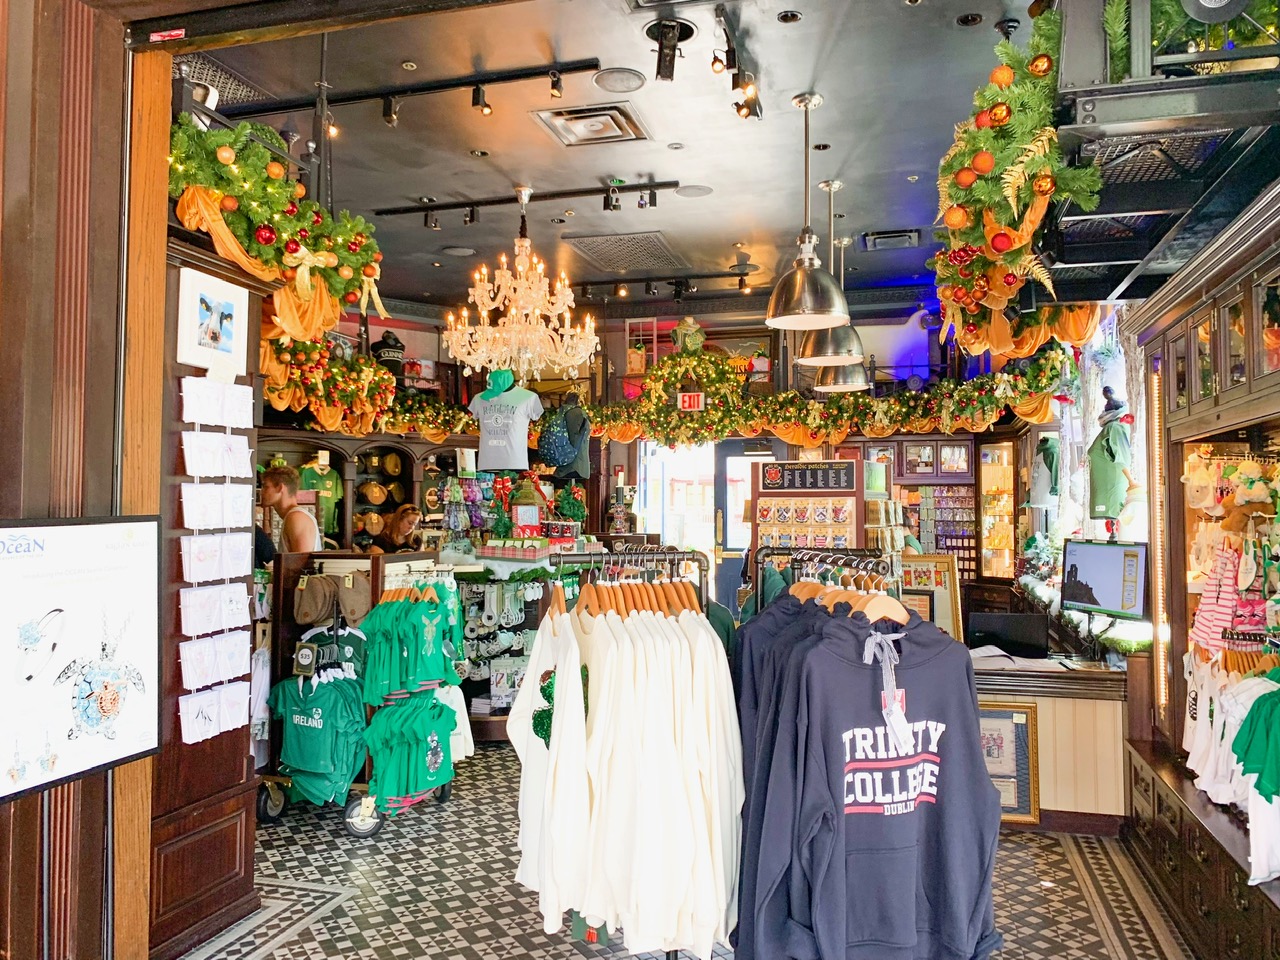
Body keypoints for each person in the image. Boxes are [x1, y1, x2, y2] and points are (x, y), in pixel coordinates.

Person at [260, 465, 323, 553]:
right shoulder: (293, 517)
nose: (261, 492)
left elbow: (302, 564)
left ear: (280, 488)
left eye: (266, 487)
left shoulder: (296, 518)